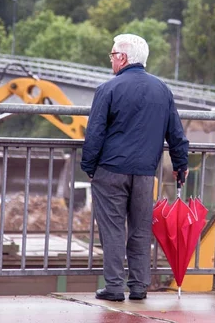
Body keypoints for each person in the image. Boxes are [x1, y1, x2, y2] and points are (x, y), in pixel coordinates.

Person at [81, 33, 189, 302]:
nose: (111, 60)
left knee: (113, 229)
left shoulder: (108, 89)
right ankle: (139, 287)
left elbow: (94, 133)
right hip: (144, 173)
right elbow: (176, 133)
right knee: (140, 229)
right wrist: (180, 164)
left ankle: (115, 287)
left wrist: (89, 167)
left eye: (113, 55)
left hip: (110, 170)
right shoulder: (162, 90)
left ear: (123, 58)